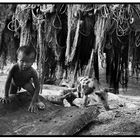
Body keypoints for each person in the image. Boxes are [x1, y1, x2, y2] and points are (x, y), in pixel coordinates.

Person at [0, 45, 45, 113]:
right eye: (22, 61)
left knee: (32, 90)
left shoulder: (32, 72)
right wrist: (6, 96)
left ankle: (38, 100)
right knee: (11, 96)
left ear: (33, 62)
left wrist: (33, 102)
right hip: (14, 83)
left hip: (25, 83)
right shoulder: (14, 68)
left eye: (28, 62)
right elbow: (8, 81)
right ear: (17, 59)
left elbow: (37, 88)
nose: (24, 64)